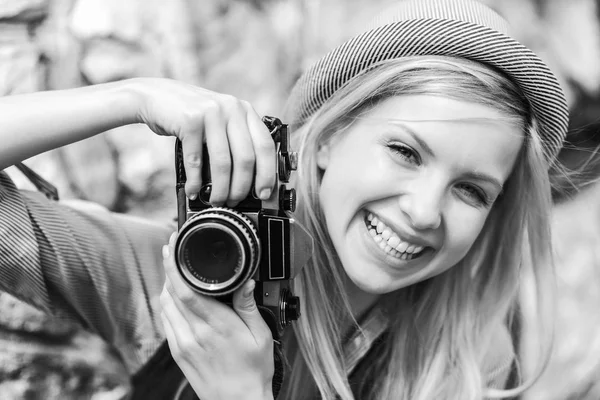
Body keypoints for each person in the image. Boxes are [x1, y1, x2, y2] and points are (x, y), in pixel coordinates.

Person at [0, 0, 572, 399]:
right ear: (327, 139)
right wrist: (130, 96)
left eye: (471, 190)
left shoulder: (473, 355)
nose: (424, 211)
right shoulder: (186, 282)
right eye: (405, 151)